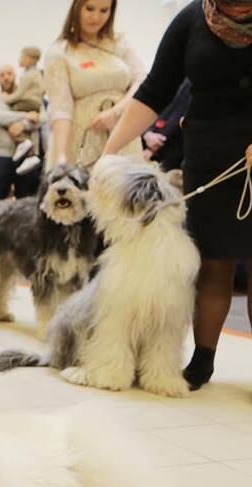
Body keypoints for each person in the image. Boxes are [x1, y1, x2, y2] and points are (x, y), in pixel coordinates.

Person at [102, 0, 252, 393]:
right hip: (208, 154)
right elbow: (155, 89)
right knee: (213, 264)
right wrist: (110, 151)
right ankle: (201, 363)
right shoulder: (191, 18)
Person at [45, 0, 145, 168]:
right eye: (90, 9)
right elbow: (61, 108)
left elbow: (141, 81)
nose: (96, 17)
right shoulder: (60, 51)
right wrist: (61, 155)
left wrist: (116, 112)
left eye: (104, 10)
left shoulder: (120, 43)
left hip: (123, 133)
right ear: (77, 8)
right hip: (81, 138)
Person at [0, 64, 44, 202]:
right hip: (1, 156)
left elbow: (42, 117)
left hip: (27, 157)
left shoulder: (28, 96)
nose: (6, 78)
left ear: (15, 75)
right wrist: (24, 116)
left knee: (27, 199)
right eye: (2, 75)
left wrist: (22, 125)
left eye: (9, 74)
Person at [2, 46, 44, 172]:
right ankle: (32, 155)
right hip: (35, 103)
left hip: (27, 102)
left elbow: (19, 94)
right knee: (31, 126)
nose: (19, 60)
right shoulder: (37, 73)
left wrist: (4, 99)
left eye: (21, 57)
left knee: (7, 118)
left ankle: (23, 141)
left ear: (29, 59)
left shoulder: (28, 75)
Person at [141, 77, 190, 171]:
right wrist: (148, 133)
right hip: (160, 147)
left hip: (180, 155)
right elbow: (170, 108)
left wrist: (156, 144)